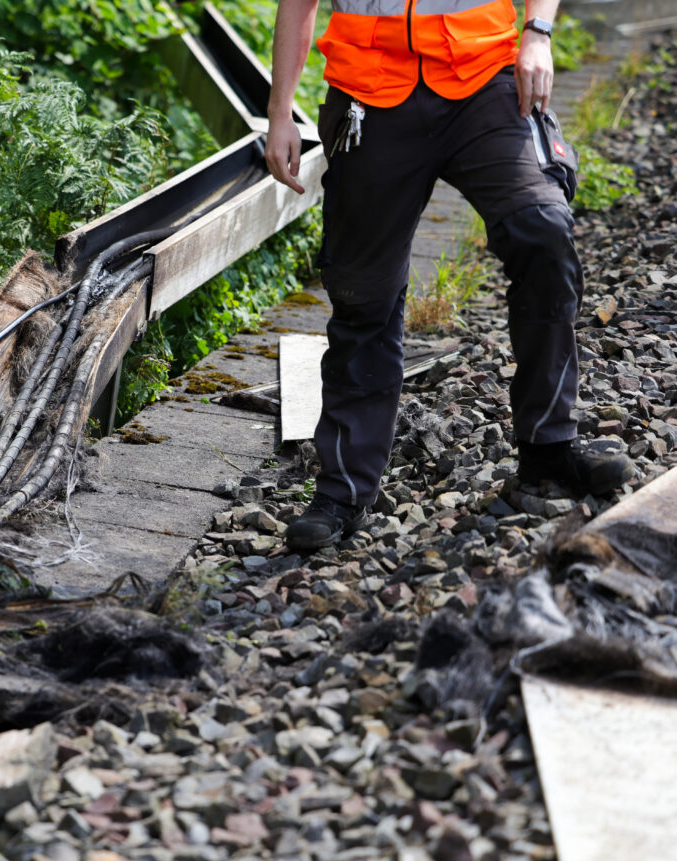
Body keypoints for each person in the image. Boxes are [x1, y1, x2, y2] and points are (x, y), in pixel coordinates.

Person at [264, 0, 632, 551]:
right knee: (362, 295)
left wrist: (538, 32)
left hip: (483, 79)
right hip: (370, 93)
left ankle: (549, 446)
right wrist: (280, 113)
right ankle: (342, 492)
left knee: (543, 230)